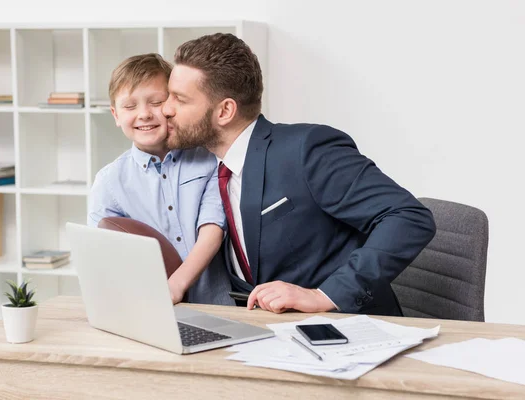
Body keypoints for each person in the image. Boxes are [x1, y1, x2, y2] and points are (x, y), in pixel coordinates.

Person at [162, 33, 436, 316]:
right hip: (264, 331)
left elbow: (408, 217)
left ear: (225, 111)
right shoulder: (207, 168)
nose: (165, 109)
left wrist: (325, 295)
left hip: (342, 331)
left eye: (180, 100)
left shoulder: (306, 150)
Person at [87, 53, 233, 306]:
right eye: (130, 107)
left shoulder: (208, 159)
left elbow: (212, 229)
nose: (144, 114)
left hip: (216, 305)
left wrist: (175, 286)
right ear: (115, 115)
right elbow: (100, 255)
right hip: (149, 307)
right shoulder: (109, 182)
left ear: (172, 106)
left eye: (156, 102)